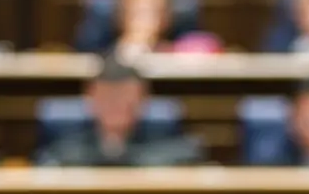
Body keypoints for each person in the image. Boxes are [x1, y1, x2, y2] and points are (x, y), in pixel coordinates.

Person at [39, 57, 203, 167]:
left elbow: (191, 152)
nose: (116, 105)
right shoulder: (65, 147)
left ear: (143, 98)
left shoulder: (168, 144)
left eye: (125, 97)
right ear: (90, 97)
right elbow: (46, 160)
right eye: (108, 97)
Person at [73, 0, 197, 55]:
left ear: (167, 15)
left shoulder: (187, 49)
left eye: (152, 9)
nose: (144, 18)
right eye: (136, 10)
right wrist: (131, 45)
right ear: (119, 15)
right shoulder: (95, 54)